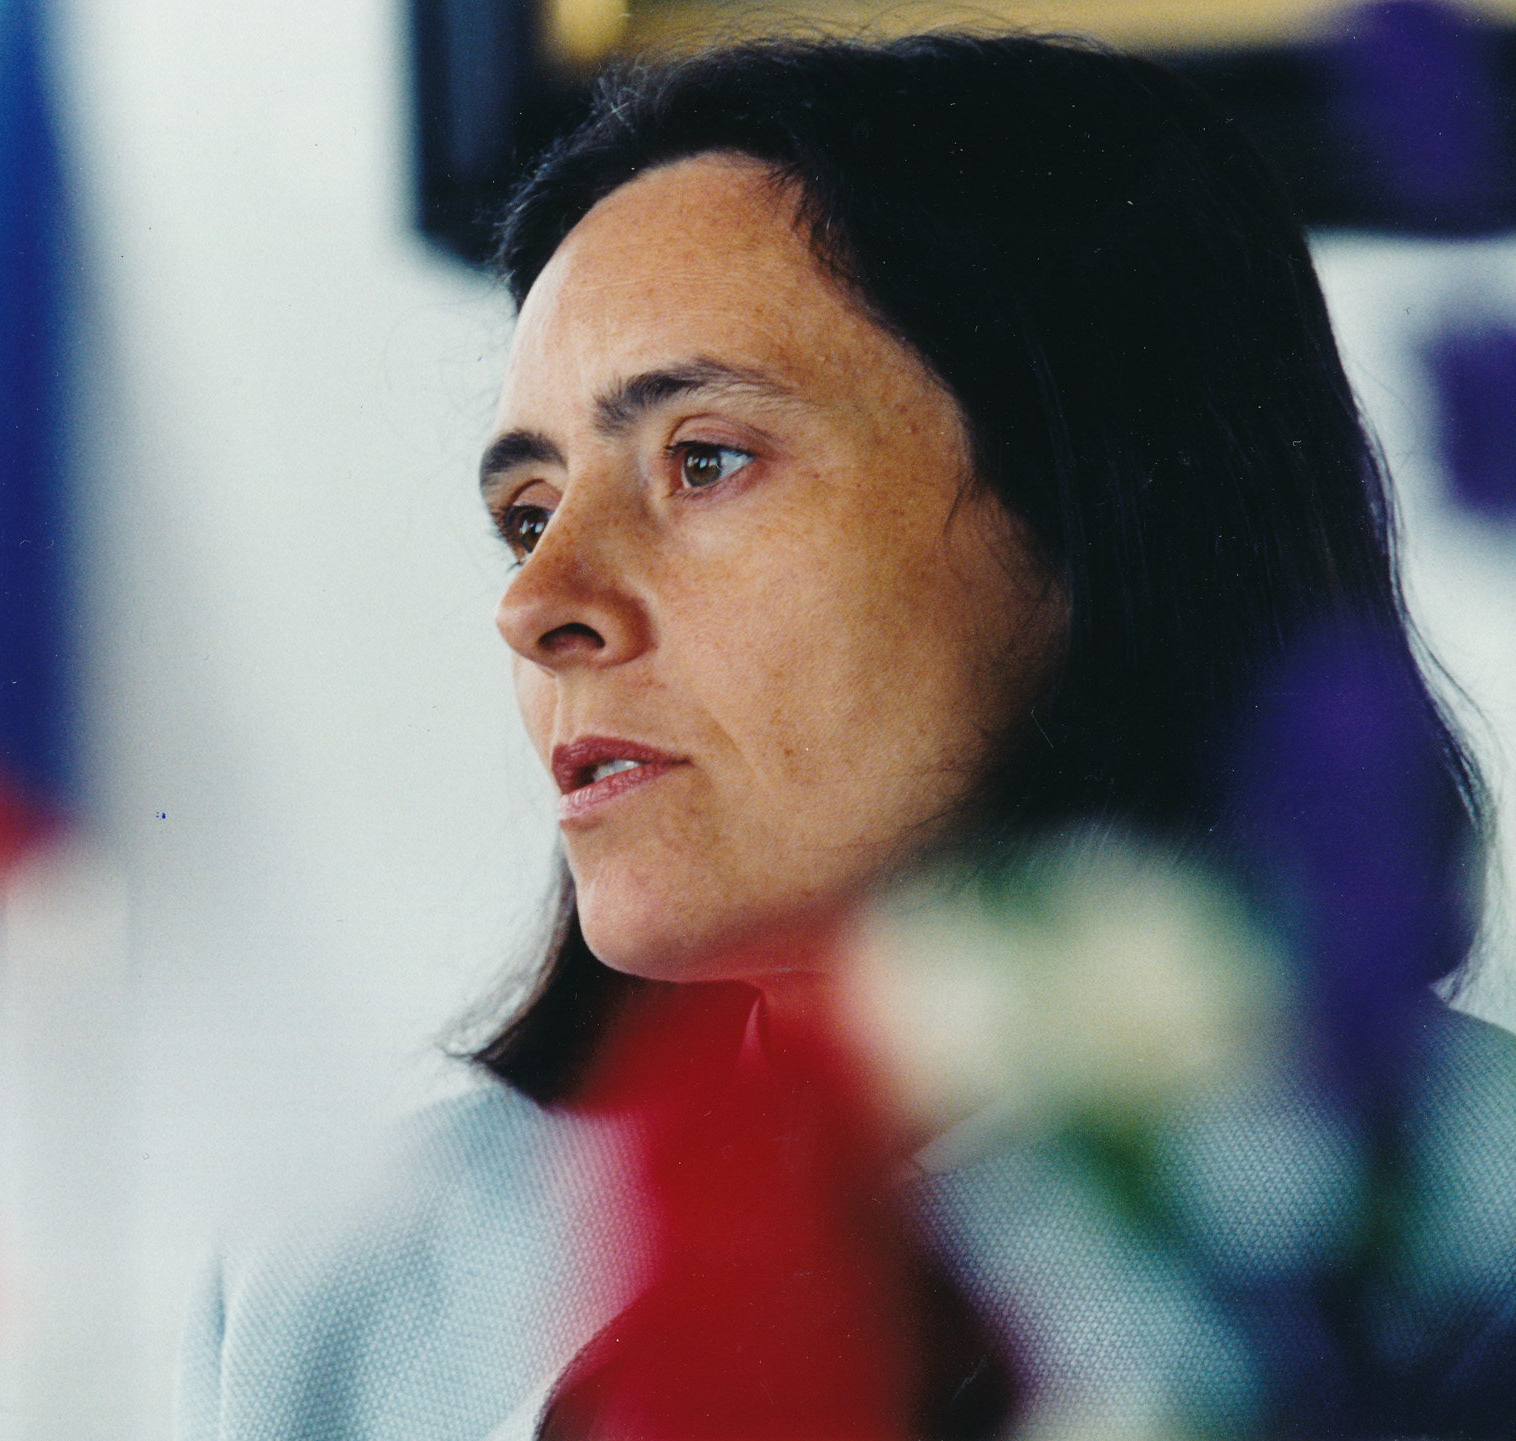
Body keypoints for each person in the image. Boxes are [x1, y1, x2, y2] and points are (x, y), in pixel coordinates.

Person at [176, 33, 1516, 1440]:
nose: (536, 602)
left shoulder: (1467, 1238)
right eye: (527, 513)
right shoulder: (331, 1294)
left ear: (1105, 513)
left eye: (703, 459)